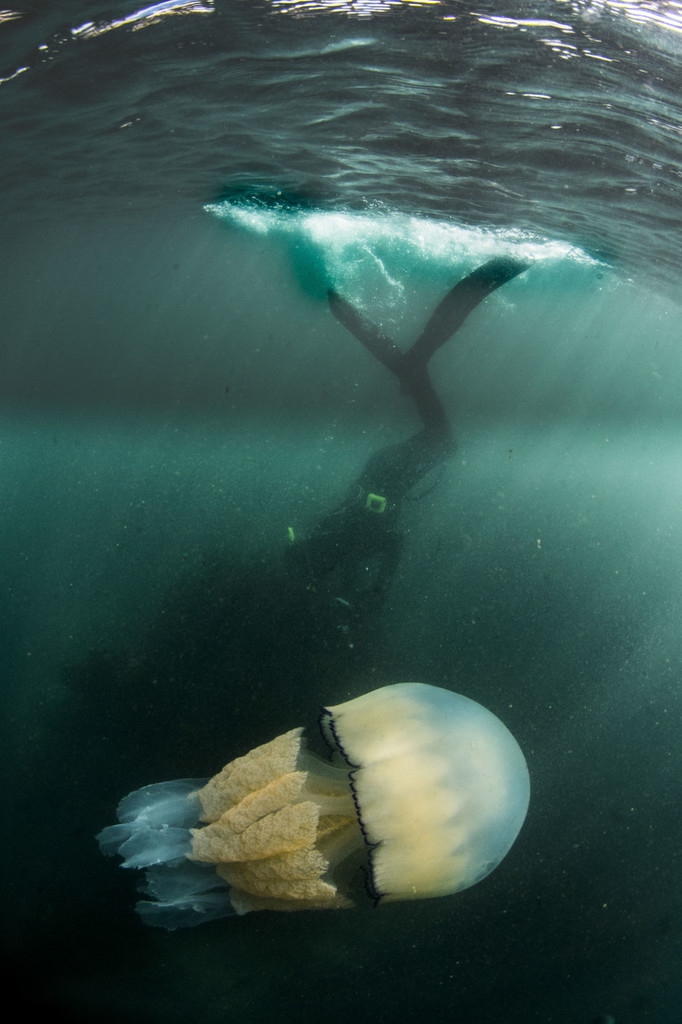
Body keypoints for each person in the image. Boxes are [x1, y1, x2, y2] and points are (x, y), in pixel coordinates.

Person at [287, 256, 529, 627]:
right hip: (386, 475)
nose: (328, 568)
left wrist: (379, 587)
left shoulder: (340, 541)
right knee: (444, 440)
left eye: (322, 568)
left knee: (444, 441)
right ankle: (415, 363)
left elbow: (387, 540)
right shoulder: (337, 545)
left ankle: (415, 362)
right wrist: (367, 590)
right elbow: (371, 540)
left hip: (388, 475)